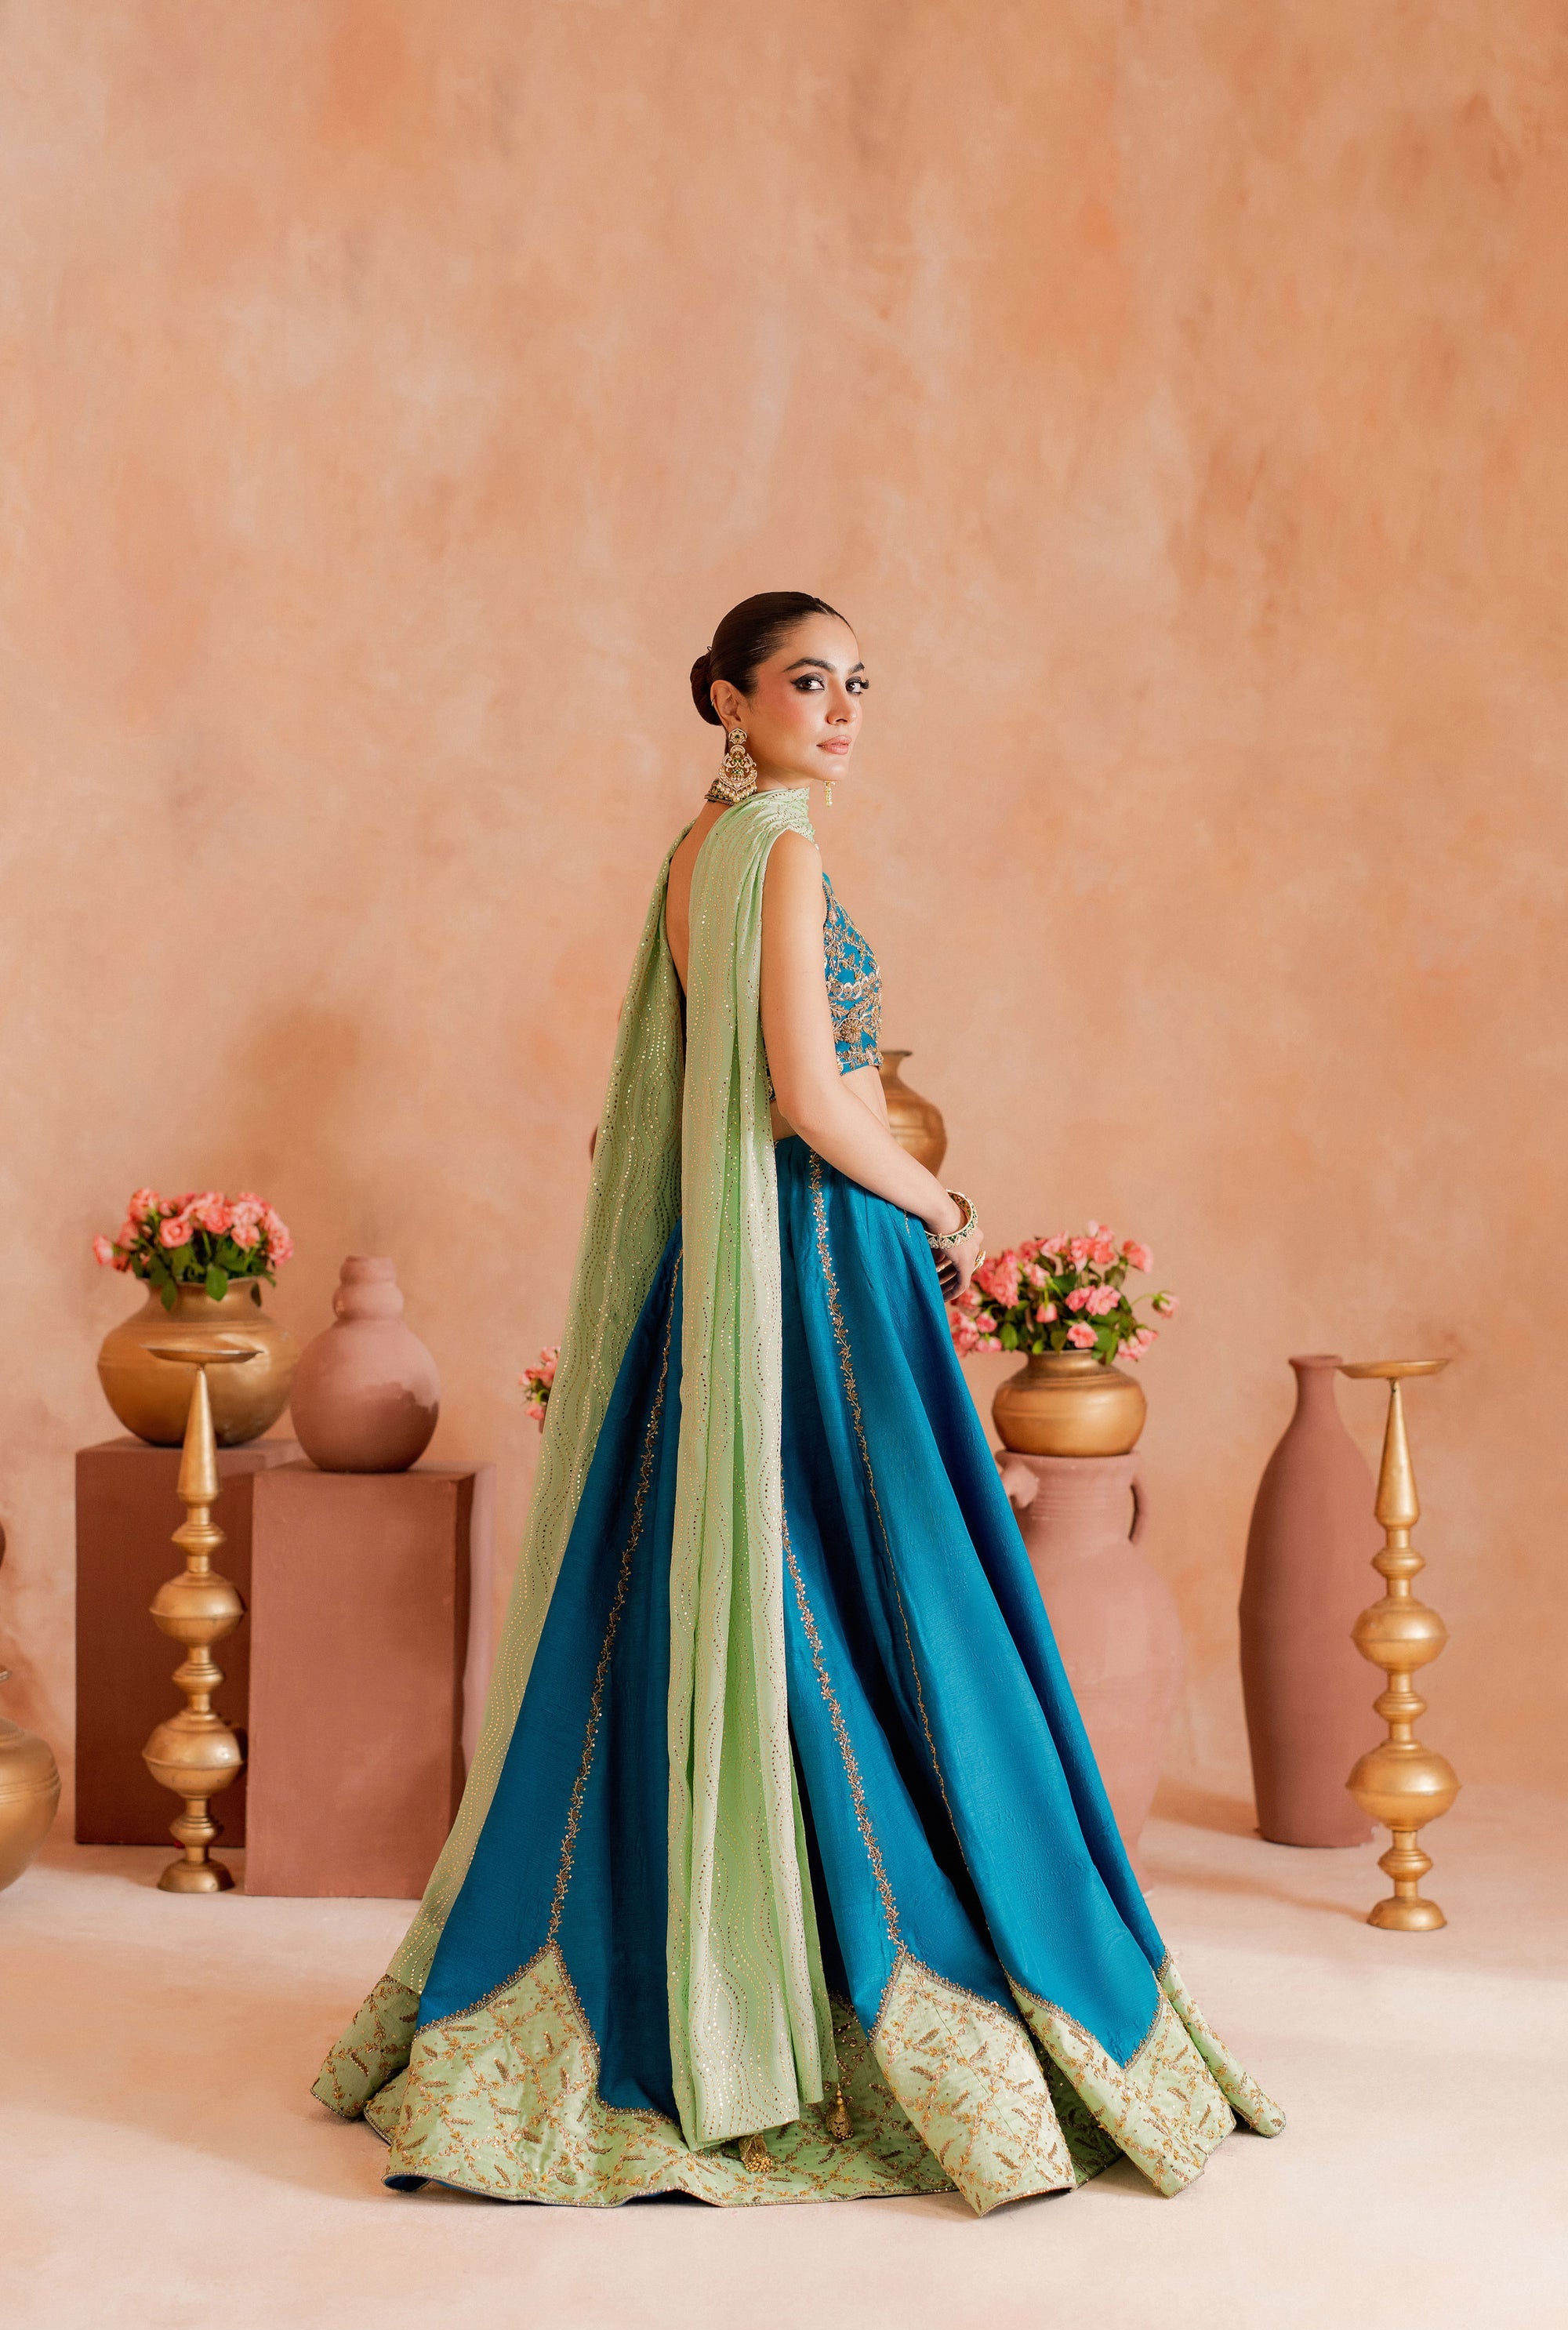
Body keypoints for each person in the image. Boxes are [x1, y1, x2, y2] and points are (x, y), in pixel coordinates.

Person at [313, 591, 1283, 2213]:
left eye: (857, 685)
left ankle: (708, 1970)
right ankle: (867, 1996)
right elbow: (810, 1096)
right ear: (728, 698)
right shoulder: (779, 849)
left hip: (731, 1269)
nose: (840, 711)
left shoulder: (695, 852)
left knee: (754, 1592)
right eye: (806, 682)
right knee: (895, 1596)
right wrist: (944, 1205)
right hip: (819, 1261)